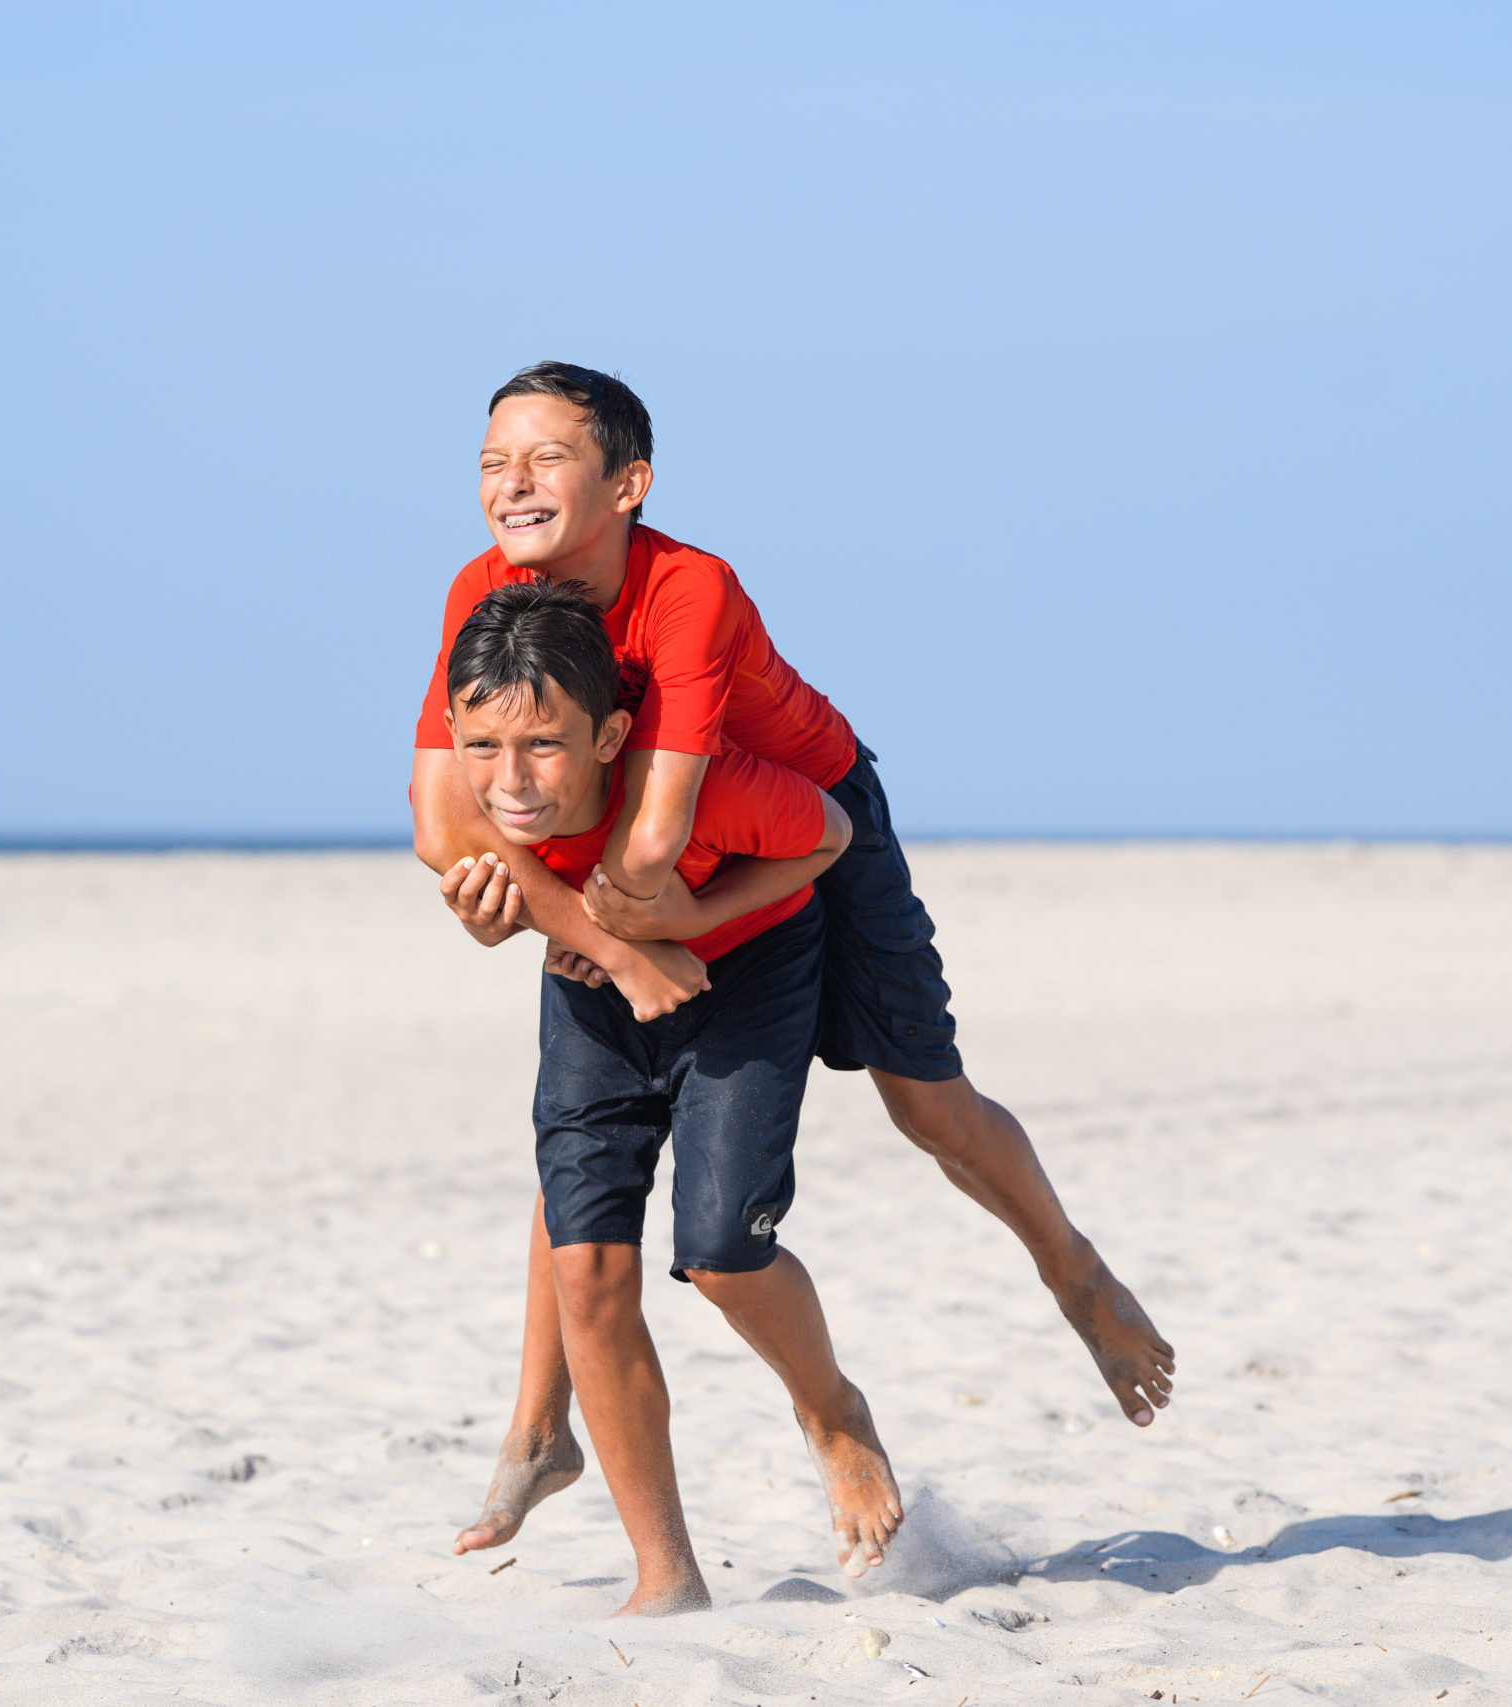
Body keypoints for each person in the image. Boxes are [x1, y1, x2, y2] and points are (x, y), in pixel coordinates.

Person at [407, 362, 1174, 1558]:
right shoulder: (485, 595)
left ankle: (1073, 1272)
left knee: (929, 1106)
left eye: (547, 456)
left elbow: (656, 846)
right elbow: (445, 819)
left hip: (804, 815)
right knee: (587, 1148)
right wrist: (580, 929)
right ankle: (537, 1424)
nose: (513, 483)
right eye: (492, 461)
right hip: (626, 854)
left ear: (629, 482)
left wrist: (602, 925)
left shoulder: (688, 590)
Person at [436, 577, 897, 1613]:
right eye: (482, 748)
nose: (510, 781)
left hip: (747, 979)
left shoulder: (699, 788)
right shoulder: (471, 799)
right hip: (592, 995)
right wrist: (513, 925)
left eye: (543, 747)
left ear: (608, 737)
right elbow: (499, 886)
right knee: (588, 1269)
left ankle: (831, 1412)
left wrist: (684, 926)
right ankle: (666, 1576)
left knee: (724, 1256)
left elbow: (824, 835)